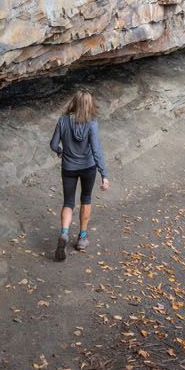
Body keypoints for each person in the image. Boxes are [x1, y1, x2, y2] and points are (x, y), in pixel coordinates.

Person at [49, 90, 109, 261]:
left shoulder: (62, 120)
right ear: (89, 105)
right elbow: (96, 150)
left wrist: (61, 152)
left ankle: (64, 233)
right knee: (86, 198)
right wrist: (104, 174)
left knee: (68, 202)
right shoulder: (92, 124)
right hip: (88, 167)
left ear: (74, 102)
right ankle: (82, 238)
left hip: (68, 167)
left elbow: (53, 144)